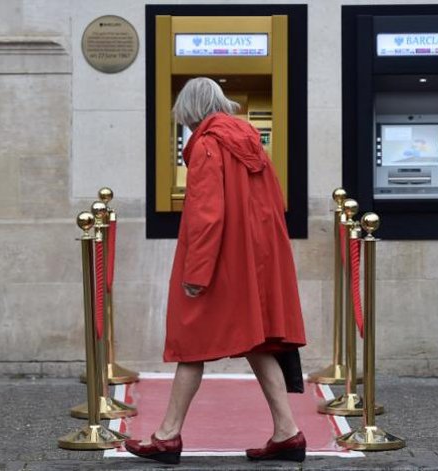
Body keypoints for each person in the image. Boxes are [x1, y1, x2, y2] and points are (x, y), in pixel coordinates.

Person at [124, 77, 307, 464]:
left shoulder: (208, 145)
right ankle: (287, 433)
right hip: (254, 261)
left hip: (221, 262)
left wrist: (197, 273)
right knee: (256, 343)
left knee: (192, 341)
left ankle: (167, 436)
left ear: (190, 113)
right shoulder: (251, 142)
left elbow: (206, 217)